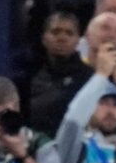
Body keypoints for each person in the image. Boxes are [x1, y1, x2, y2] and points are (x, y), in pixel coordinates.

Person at [17, 10, 95, 138]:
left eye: (69, 33)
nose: (62, 38)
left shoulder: (89, 78)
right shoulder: (28, 78)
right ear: (44, 39)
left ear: (77, 41)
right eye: (55, 32)